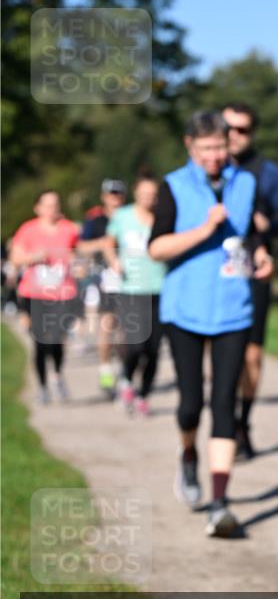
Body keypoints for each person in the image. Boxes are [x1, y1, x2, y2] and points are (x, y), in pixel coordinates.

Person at [148, 111, 273, 537]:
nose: (215, 156)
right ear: (190, 146)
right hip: (184, 309)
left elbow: (250, 236)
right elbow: (156, 248)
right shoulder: (174, 186)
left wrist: (260, 253)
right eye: (206, 150)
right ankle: (188, 455)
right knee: (190, 405)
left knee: (224, 405)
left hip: (233, 308)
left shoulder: (246, 182)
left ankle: (219, 503)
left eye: (220, 147)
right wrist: (204, 229)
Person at [222, 103, 278, 457]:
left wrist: (269, 224)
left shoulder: (268, 173)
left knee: (251, 357)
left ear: (251, 133)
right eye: (227, 128)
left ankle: (241, 423)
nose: (233, 135)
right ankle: (220, 421)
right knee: (218, 355)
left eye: (241, 130)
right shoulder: (210, 169)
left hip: (255, 270)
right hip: (214, 273)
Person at [105, 174, 166, 418]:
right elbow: (109, 243)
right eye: (144, 194)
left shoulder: (164, 217)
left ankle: (144, 395)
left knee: (153, 349)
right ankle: (127, 380)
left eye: (152, 194)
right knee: (135, 345)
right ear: (136, 193)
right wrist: (114, 262)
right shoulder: (123, 216)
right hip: (131, 288)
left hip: (160, 287)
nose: (148, 199)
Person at [10, 190, 79, 404]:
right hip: (35, 293)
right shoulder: (28, 229)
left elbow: (78, 252)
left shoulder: (69, 229)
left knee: (57, 340)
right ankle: (42, 387)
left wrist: (78, 263)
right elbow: (15, 258)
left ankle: (57, 376)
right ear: (38, 208)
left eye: (55, 204)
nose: (52, 209)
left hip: (62, 293)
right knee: (40, 342)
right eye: (47, 205)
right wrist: (34, 256)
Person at [77, 179, 127, 398]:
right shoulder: (95, 221)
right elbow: (82, 246)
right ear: (104, 197)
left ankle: (125, 371)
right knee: (107, 324)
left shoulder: (132, 217)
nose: (114, 198)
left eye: (118, 194)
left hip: (131, 278)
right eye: (110, 194)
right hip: (106, 278)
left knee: (127, 330)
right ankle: (106, 368)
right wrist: (104, 244)